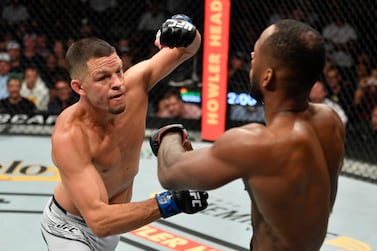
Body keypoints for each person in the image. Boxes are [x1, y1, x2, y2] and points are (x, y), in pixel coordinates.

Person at [150, 19, 345, 251]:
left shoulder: (259, 143)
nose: (252, 55)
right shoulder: (330, 121)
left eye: (259, 51)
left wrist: (169, 134)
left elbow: (171, 172)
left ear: (267, 77)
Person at [40, 15, 208, 251]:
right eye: (103, 78)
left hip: (114, 227)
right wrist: (170, 202)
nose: (117, 83)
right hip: (71, 227)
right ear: (79, 87)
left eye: (118, 71)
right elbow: (99, 220)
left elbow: (186, 50)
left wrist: (186, 31)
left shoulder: (135, 84)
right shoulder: (70, 135)